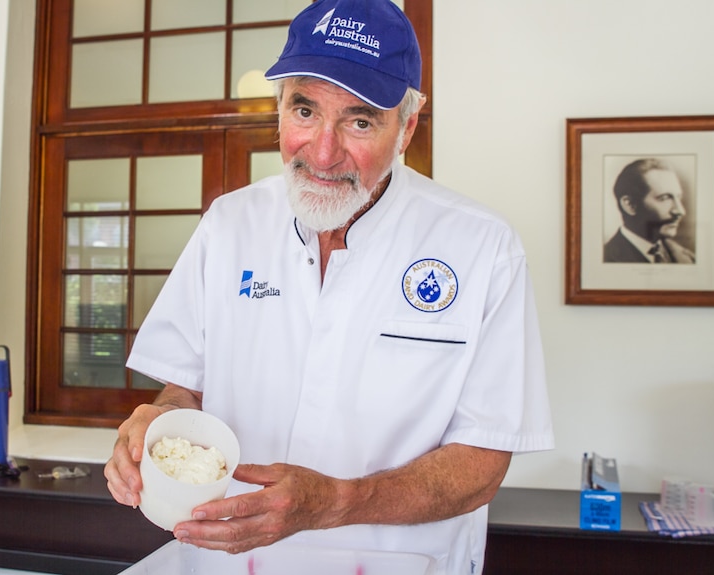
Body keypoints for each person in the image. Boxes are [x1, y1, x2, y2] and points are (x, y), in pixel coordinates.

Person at [105, 1, 554, 573]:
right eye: (305, 110)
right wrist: (156, 424)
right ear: (280, 108)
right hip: (231, 560)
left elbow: (481, 463)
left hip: (402, 563)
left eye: (359, 120)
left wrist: (336, 502)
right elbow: (184, 389)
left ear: (407, 126)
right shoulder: (229, 223)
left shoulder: (483, 246)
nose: (322, 151)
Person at [603, 158, 695, 263]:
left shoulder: (688, 258)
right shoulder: (606, 259)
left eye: (678, 197)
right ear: (630, 205)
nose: (680, 211)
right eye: (664, 198)